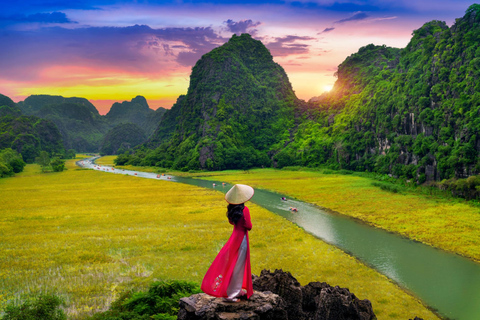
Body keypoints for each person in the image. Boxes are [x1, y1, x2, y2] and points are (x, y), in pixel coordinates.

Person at [201, 184, 254, 302]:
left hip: (233, 238)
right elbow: (249, 226)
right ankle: (231, 294)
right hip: (242, 240)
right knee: (238, 266)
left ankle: (235, 289)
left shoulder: (231, 209)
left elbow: (232, 222)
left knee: (232, 264)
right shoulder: (245, 209)